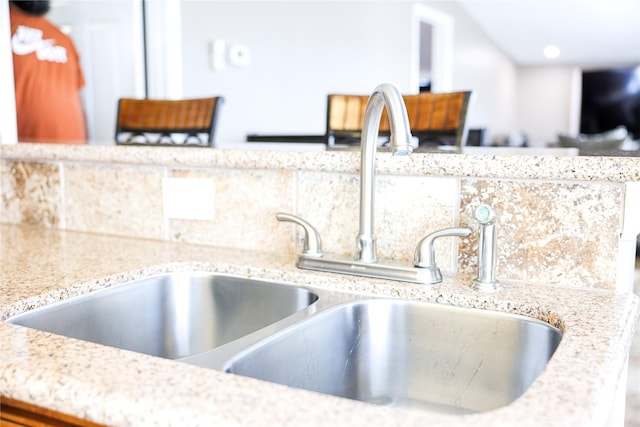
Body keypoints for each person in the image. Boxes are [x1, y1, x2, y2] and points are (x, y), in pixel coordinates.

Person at [9, 0, 87, 144]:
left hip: (73, 152)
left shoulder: (63, 38)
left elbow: (77, 98)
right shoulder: (5, 30)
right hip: (21, 156)